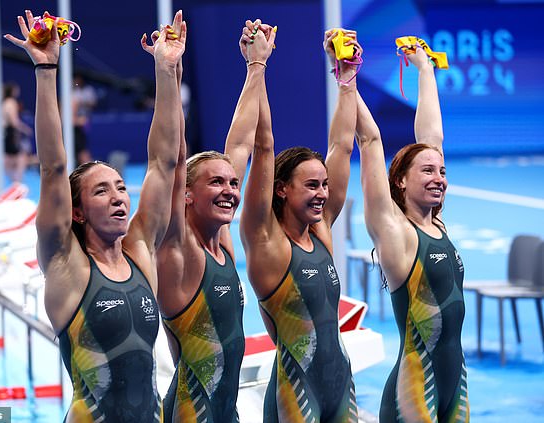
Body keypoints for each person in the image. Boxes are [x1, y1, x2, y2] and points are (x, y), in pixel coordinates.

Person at [5, 9, 186, 422]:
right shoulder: (66, 264)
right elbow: (52, 169)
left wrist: (165, 68)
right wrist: (47, 69)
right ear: (79, 213)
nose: (120, 197)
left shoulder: (140, 250)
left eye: (121, 187)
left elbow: (163, 163)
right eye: (101, 192)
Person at [143, 19, 275, 422]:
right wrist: (169, 73)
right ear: (185, 194)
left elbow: (240, 143)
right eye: (215, 183)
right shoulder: (180, 250)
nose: (230, 191)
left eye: (232, 183)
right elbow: (171, 158)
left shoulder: (223, 244)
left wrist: (256, 66)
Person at [240, 28, 361, 422]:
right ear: (281, 190)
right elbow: (263, 146)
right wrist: (257, 66)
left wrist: (345, 77)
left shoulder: (321, 230)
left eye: (325, 184)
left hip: (341, 385)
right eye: (311, 185)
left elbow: (343, 146)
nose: (323, 193)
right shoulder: (266, 242)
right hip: (295, 393)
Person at [354, 41, 469, 422]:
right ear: (401, 181)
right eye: (427, 172)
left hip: (457, 385)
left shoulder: (437, 224)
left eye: (442, 172)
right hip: (413, 392)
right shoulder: (395, 233)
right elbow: (370, 142)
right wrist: (347, 79)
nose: (439, 179)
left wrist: (424, 69)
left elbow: (432, 139)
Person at [0, 82, 33, 183]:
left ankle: (14, 180)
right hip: (8, 133)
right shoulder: (10, 103)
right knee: (20, 156)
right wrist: (25, 129)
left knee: (0, 158)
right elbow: (14, 121)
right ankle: (17, 181)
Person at [72, 73, 96, 165]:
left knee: (82, 155)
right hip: (74, 132)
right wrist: (81, 121)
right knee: (83, 155)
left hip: (77, 131)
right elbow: (69, 120)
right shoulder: (72, 98)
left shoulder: (86, 91)